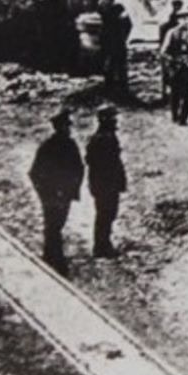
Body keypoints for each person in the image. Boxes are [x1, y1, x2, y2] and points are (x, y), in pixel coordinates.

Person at [28, 109, 84, 275]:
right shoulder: (48, 147)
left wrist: (72, 188)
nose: (68, 129)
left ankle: (48, 255)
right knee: (54, 226)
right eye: (65, 126)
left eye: (68, 126)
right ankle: (58, 262)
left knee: (55, 225)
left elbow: (79, 168)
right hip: (52, 195)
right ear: (58, 128)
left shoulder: (70, 145)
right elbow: (35, 173)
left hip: (63, 194)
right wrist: (45, 194)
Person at [85, 106, 127, 258]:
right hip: (105, 185)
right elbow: (98, 162)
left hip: (107, 184)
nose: (115, 121)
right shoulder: (103, 139)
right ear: (105, 120)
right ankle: (102, 246)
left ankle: (103, 244)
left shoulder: (106, 137)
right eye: (112, 118)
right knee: (105, 214)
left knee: (108, 214)